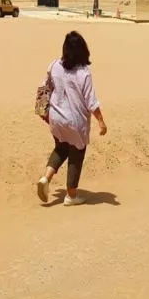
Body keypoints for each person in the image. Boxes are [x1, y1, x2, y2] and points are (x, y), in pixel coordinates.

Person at [37, 31, 107, 206]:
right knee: (76, 154)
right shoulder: (83, 72)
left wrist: (44, 112)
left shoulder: (54, 65)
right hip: (74, 121)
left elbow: (45, 86)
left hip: (55, 117)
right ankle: (71, 195)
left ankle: (46, 178)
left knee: (60, 148)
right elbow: (91, 100)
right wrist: (101, 121)